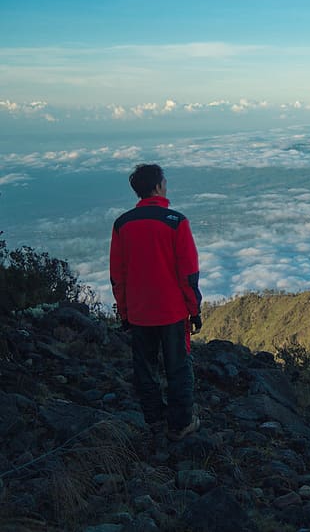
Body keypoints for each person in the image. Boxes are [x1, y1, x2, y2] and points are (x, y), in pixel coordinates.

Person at [110, 164, 203, 441]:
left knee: (145, 369)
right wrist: (194, 310)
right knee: (177, 367)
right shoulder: (176, 221)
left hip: (139, 312)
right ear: (159, 187)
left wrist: (124, 312)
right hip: (172, 311)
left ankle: (154, 421)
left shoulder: (122, 224)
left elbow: (118, 276)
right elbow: (188, 274)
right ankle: (182, 423)